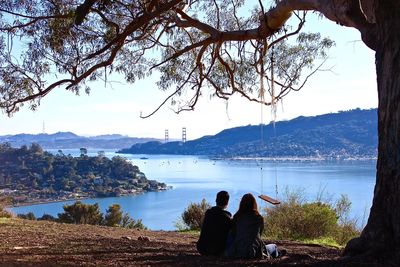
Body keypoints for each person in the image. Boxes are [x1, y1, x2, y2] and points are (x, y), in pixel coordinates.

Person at [226, 193, 265, 259]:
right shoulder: (259, 218)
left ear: (241, 204)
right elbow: (259, 235)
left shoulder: (236, 217)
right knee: (273, 246)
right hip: (254, 251)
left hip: (238, 250)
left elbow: (234, 234)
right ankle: (279, 254)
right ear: (254, 204)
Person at [197, 191, 232, 256]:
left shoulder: (208, 212)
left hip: (202, 248)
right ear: (227, 202)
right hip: (217, 250)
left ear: (216, 200)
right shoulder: (227, 216)